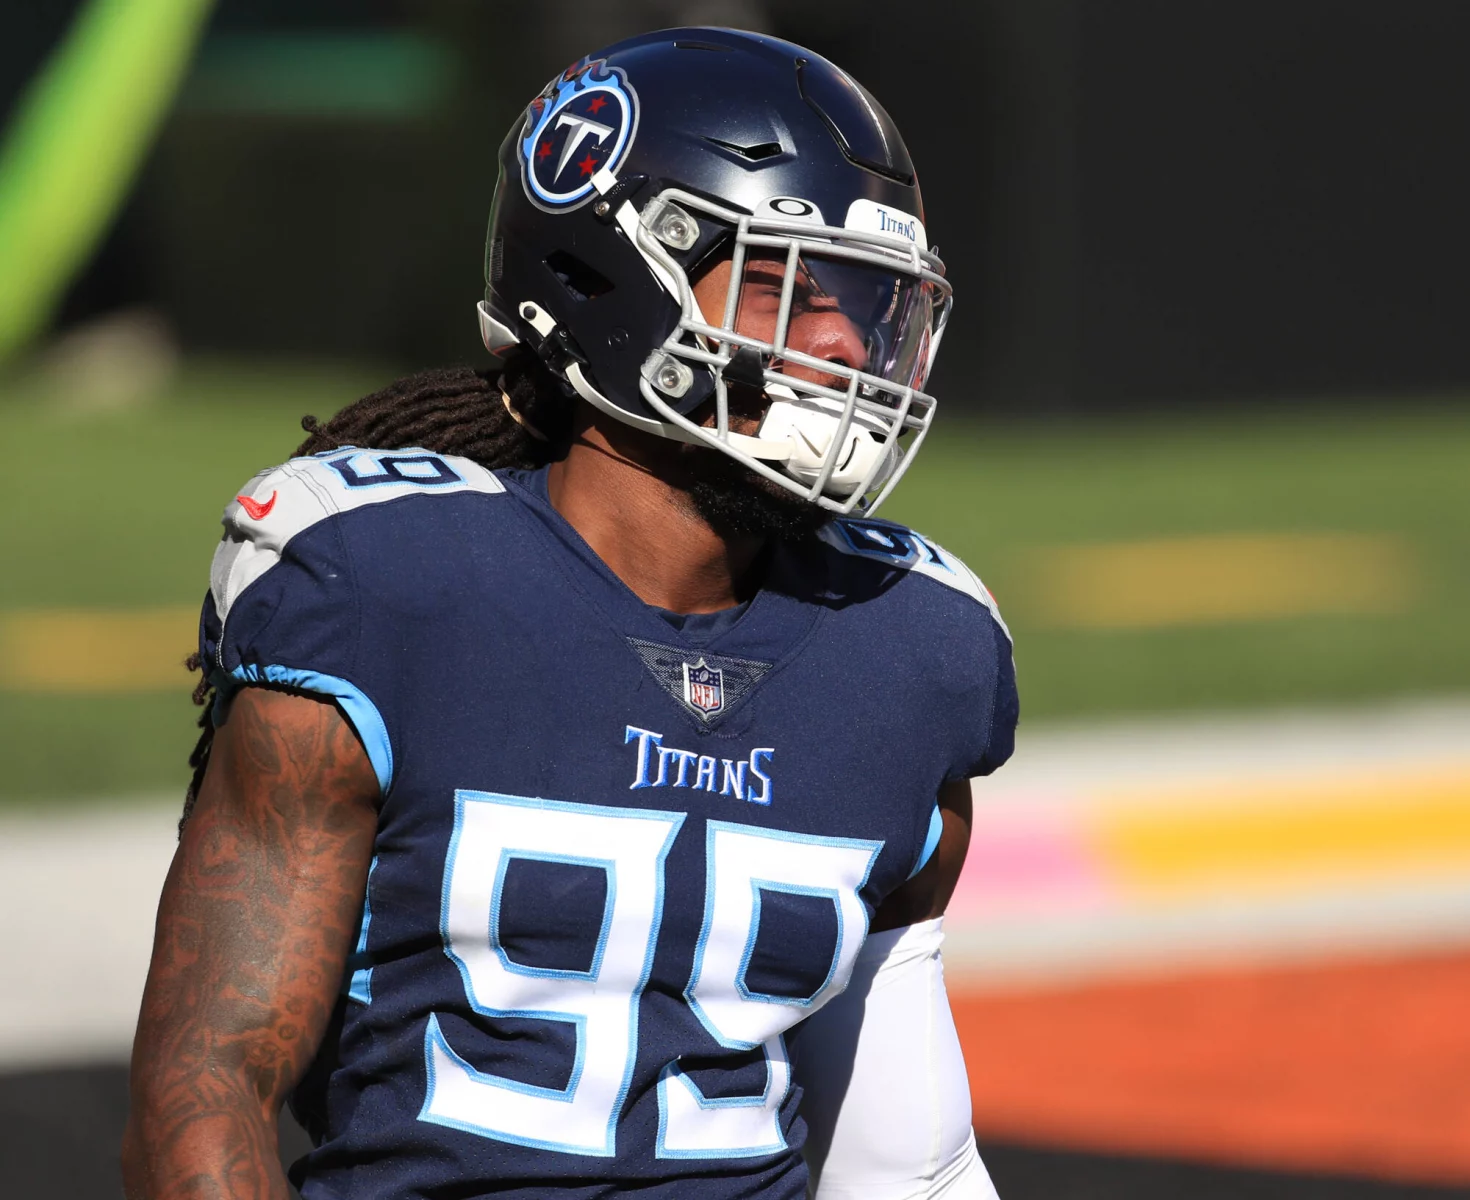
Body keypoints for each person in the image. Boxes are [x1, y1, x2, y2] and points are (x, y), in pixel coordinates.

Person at [121, 28, 1015, 1200]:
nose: (846, 343)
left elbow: (908, 1162)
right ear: (612, 278)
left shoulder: (911, 644)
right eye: (785, 285)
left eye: (866, 303)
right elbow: (202, 1098)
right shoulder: (385, 587)